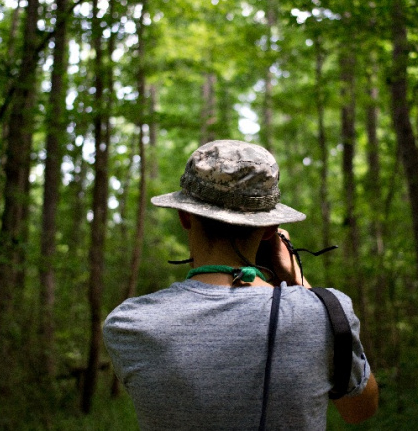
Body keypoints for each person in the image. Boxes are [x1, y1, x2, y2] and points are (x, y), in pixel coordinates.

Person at [103, 140, 379, 430]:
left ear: (184, 216)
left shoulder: (129, 324)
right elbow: (360, 410)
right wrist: (297, 280)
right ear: (270, 229)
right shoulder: (325, 314)